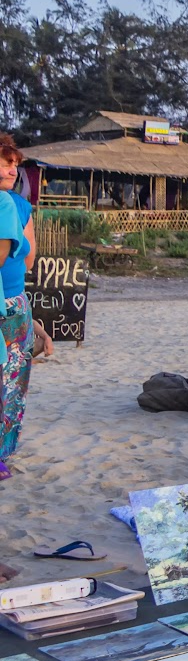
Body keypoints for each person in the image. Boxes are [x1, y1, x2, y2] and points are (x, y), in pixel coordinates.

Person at [0, 136, 37, 462]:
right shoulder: (8, 205)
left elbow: (29, 260)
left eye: (15, 163)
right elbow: (23, 258)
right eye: (6, 162)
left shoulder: (18, 205)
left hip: (12, 303)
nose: (12, 169)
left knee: (12, 381)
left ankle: (2, 452)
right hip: (10, 302)